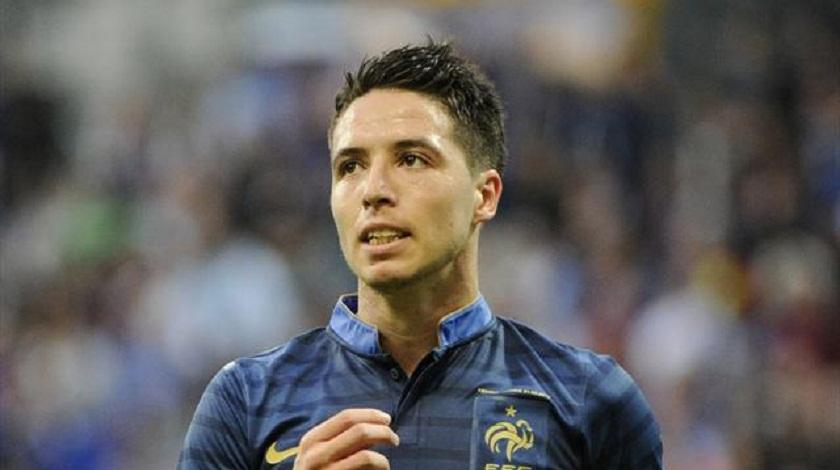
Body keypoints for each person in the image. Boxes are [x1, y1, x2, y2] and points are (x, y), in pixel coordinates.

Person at [178, 41, 662, 470]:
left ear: (485, 196)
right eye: (351, 166)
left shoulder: (590, 400)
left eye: (411, 159)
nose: (373, 190)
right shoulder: (244, 401)